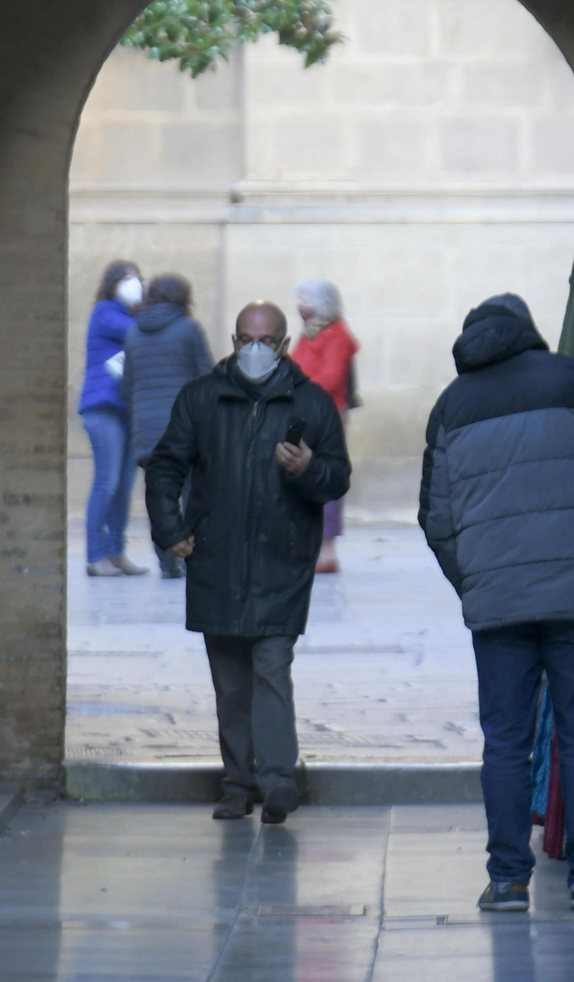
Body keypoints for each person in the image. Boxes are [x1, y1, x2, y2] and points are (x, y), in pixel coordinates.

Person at [418, 293, 574, 912]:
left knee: (504, 741)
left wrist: (475, 581)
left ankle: (506, 881)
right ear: (528, 332)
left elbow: (435, 520)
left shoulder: (450, 406)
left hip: (498, 605)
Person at [145, 301, 350, 824]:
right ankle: (237, 784)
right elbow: (166, 466)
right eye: (245, 339)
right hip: (216, 560)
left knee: (272, 671)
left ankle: (278, 780)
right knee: (231, 682)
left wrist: (307, 468)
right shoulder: (201, 398)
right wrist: (171, 530)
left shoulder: (311, 403)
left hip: (282, 562)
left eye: (266, 340)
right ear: (234, 341)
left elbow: (337, 478)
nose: (254, 349)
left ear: (284, 345)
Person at [121, 274, 214, 578]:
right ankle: (192, 556)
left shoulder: (133, 332)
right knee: (192, 493)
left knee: (159, 496)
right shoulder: (189, 329)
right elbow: (207, 379)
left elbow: (127, 387)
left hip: (147, 431)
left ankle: (166, 561)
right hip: (184, 428)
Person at [79, 260, 147, 577]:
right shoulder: (105, 311)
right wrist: (154, 311)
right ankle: (96, 556)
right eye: (127, 278)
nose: (134, 283)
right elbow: (138, 333)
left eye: (138, 277)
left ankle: (116, 553)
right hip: (103, 407)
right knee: (107, 482)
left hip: (127, 409)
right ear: (112, 283)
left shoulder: (134, 316)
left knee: (124, 485)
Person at [290, 280, 360, 573]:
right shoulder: (310, 333)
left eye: (307, 299)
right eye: (301, 298)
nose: (301, 304)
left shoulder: (337, 334)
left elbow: (331, 377)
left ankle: (326, 551)